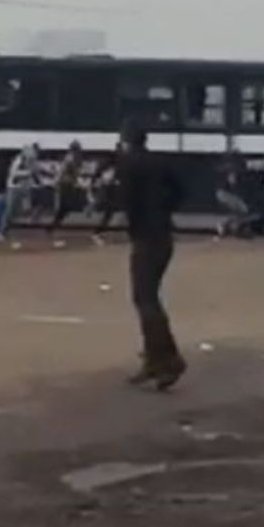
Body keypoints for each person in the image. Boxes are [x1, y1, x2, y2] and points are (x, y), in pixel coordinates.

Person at [117, 124, 186, 391]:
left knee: (145, 299)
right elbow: (180, 191)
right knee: (149, 297)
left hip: (146, 237)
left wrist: (134, 226)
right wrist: (165, 210)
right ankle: (155, 360)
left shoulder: (128, 164)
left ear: (125, 141)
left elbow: (128, 201)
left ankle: (167, 359)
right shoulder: (160, 161)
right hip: (163, 234)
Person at [0, 143, 41, 240]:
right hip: (14, 187)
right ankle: (2, 231)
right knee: (10, 210)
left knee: (27, 207)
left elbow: (36, 172)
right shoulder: (19, 160)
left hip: (24, 188)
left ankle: (31, 217)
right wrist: (26, 173)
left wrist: (38, 182)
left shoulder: (33, 161)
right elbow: (13, 173)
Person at [47, 141, 86, 233]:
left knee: (66, 207)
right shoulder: (70, 158)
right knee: (65, 206)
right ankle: (52, 226)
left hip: (69, 184)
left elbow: (76, 173)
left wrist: (77, 180)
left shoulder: (77, 158)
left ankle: (53, 226)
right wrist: (56, 181)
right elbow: (62, 171)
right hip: (65, 184)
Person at [214, 149, 252, 238]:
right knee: (243, 210)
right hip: (226, 193)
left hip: (222, 193)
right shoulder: (232, 168)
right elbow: (232, 182)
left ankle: (229, 227)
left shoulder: (224, 166)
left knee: (240, 212)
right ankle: (227, 226)